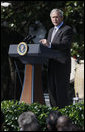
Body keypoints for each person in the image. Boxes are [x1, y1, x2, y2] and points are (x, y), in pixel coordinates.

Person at [39, 8, 73, 108]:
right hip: (52, 64)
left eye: (57, 17)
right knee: (52, 92)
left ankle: (63, 119)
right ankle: (54, 115)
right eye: (53, 17)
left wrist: (49, 44)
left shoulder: (67, 29)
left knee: (61, 92)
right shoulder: (50, 31)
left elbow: (64, 44)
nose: (55, 19)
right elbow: (50, 48)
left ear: (61, 18)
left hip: (62, 65)